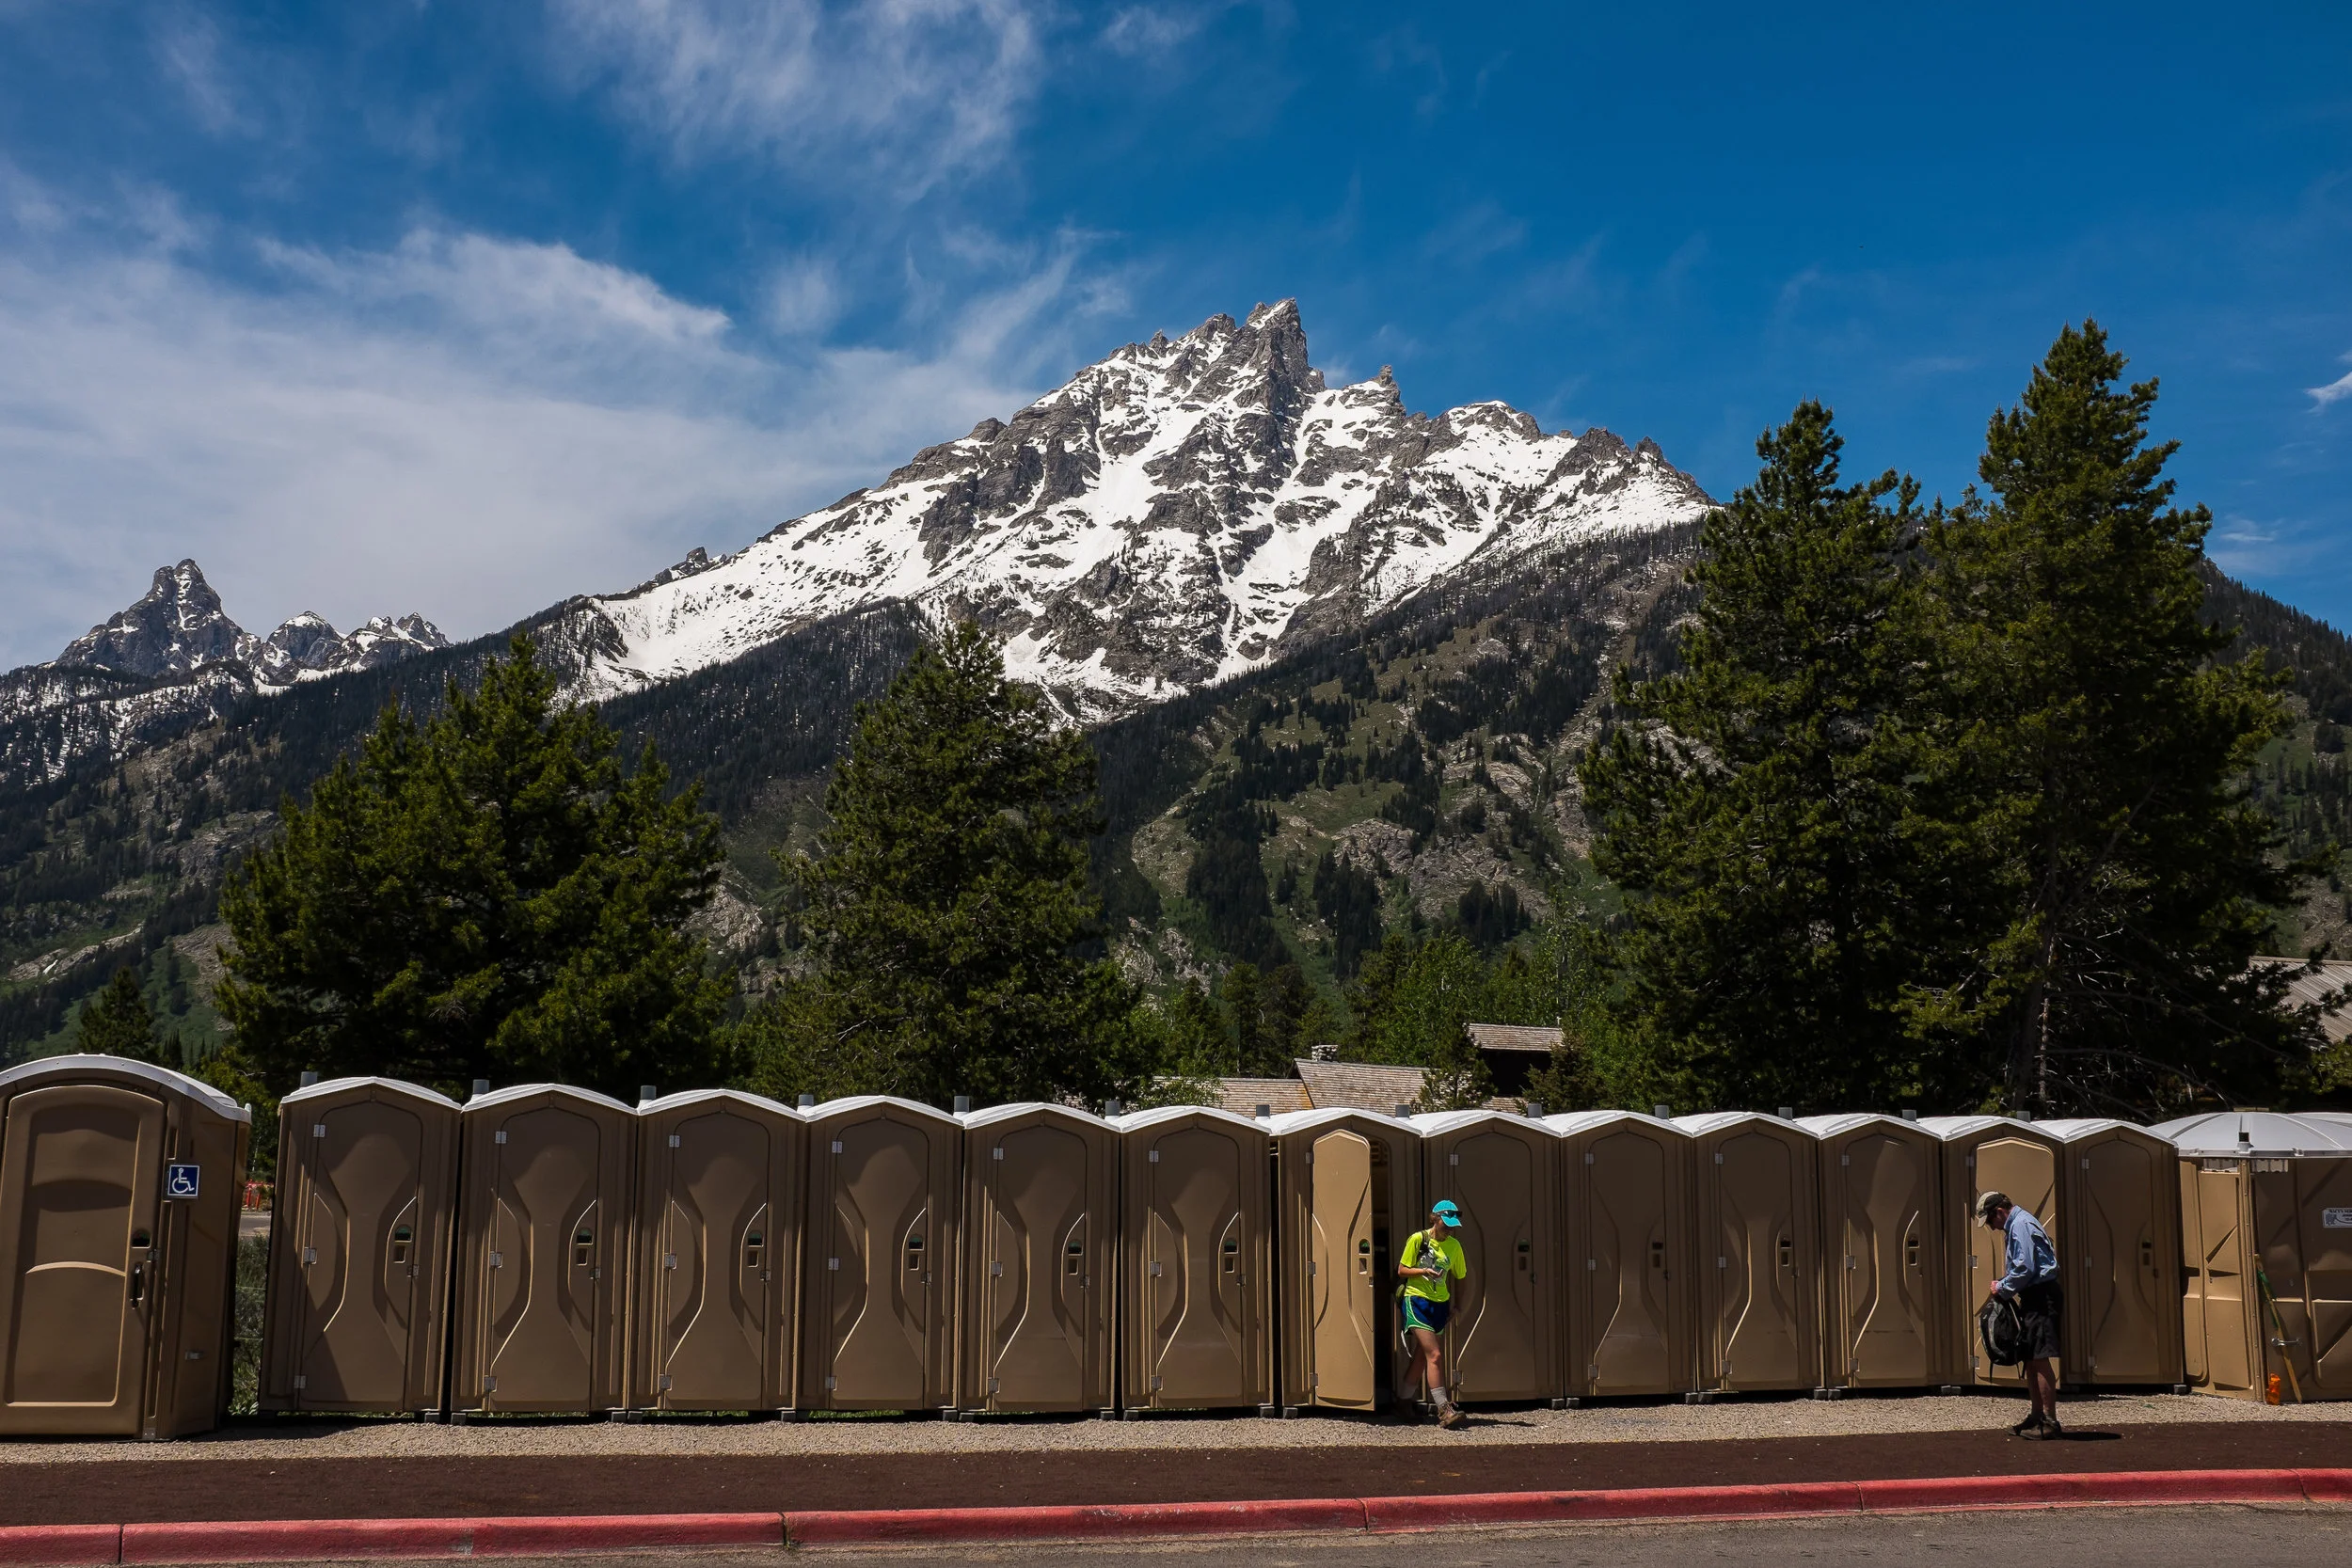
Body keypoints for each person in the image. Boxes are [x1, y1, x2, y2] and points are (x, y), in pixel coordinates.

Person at [1978, 1190, 2062, 1438]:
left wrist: (2002, 1288)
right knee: (2031, 1356)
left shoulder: (2020, 1225)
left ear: (1999, 1212)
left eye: (1991, 1221)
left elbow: (2025, 1267)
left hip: (2041, 1295)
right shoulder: (2020, 1223)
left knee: (2039, 1356)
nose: (1992, 1228)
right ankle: (2037, 1416)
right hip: (2036, 1294)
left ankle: (2049, 1421)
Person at [1398, 1198, 1470, 1430]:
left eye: (1452, 1226)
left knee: (1422, 1356)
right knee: (1435, 1355)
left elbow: (1460, 1277)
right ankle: (1444, 1409)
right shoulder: (1418, 1239)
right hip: (1416, 1300)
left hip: (1440, 1305)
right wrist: (1423, 1270)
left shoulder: (1454, 1247)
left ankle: (1403, 1401)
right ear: (1435, 1219)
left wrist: (1457, 1305)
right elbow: (1402, 1269)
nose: (1449, 1230)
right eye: (1445, 1224)